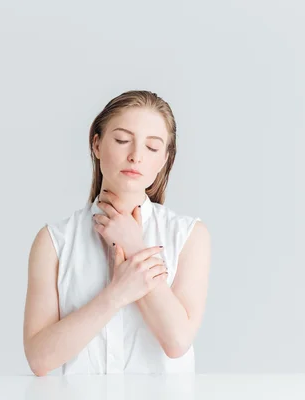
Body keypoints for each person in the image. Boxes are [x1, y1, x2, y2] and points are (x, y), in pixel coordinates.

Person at [23, 90, 211, 377]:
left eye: (151, 147)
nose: (135, 156)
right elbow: (39, 359)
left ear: (164, 159)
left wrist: (135, 247)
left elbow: (177, 342)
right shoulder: (54, 241)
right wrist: (117, 294)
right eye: (123, 140)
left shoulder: (188, 236)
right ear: (96, 144)